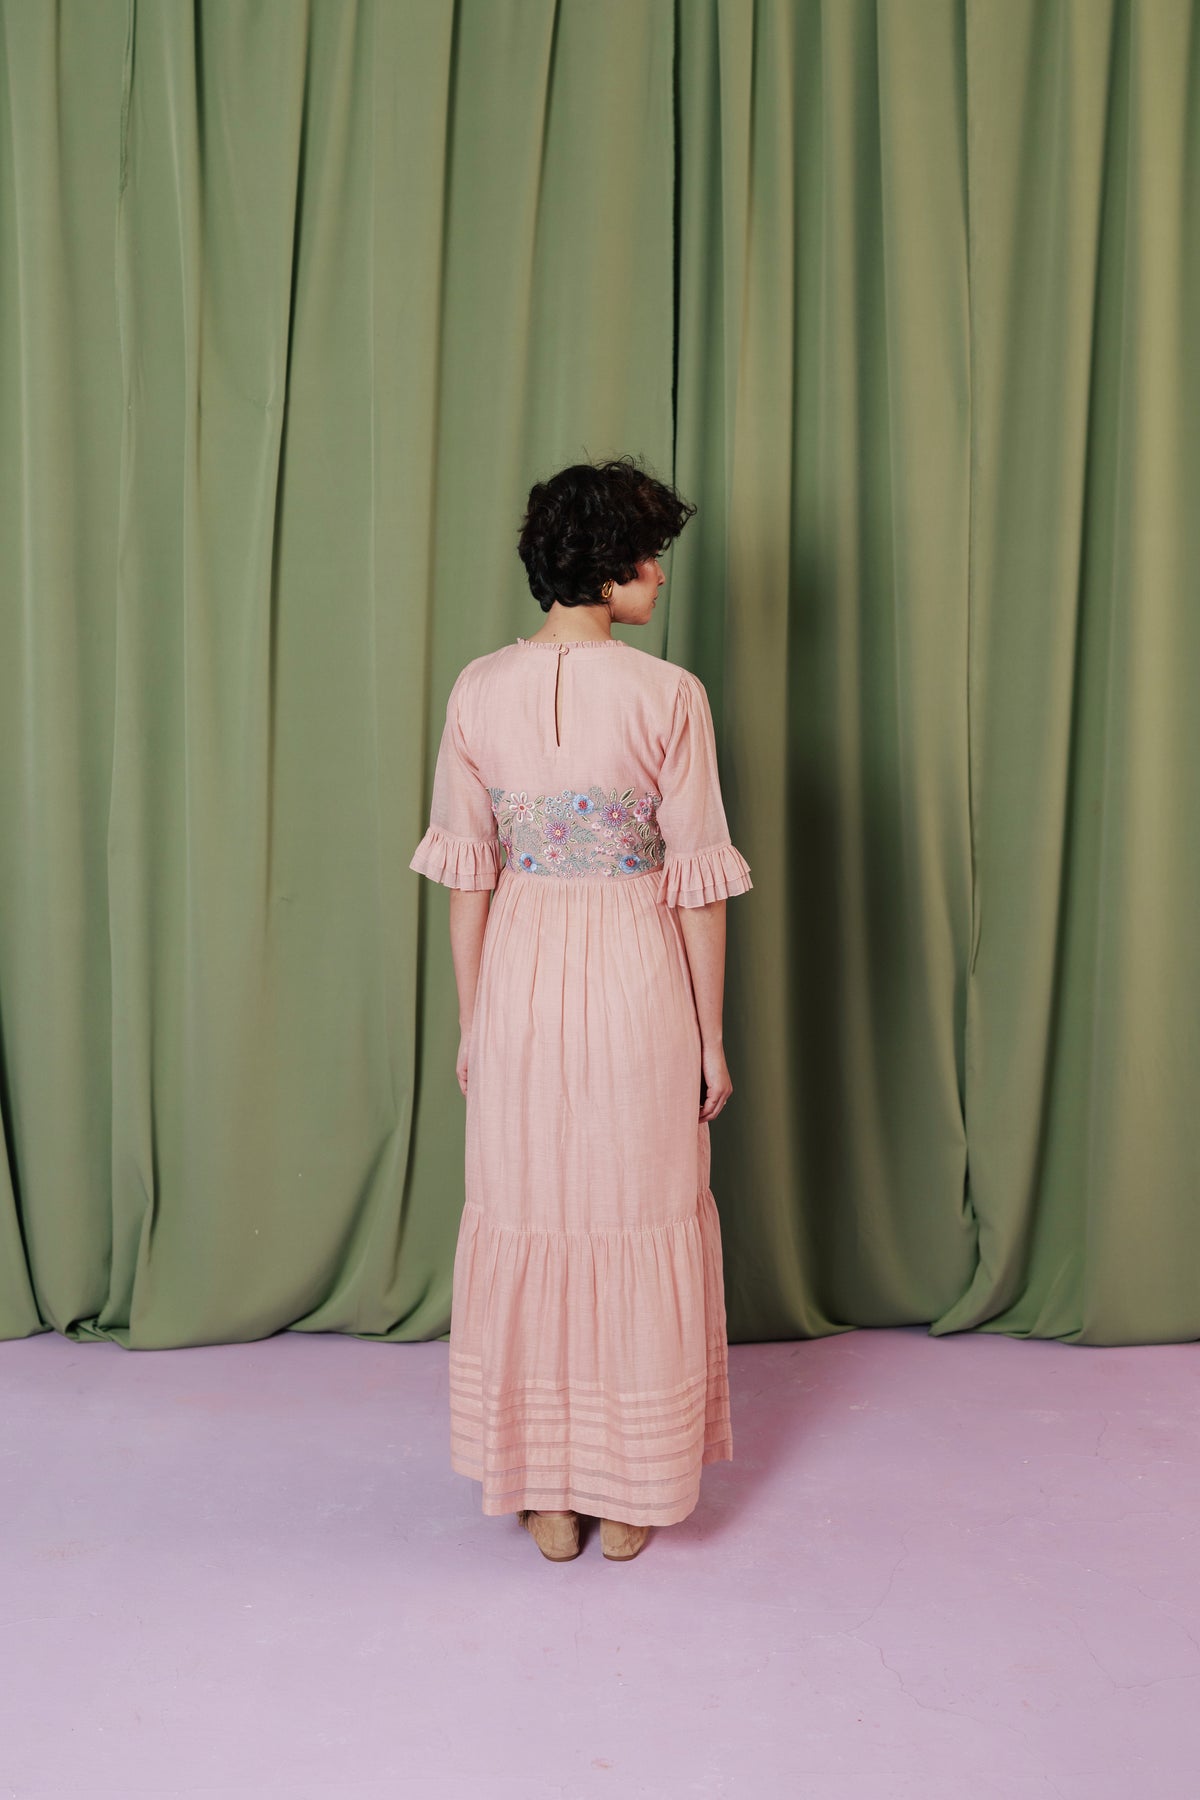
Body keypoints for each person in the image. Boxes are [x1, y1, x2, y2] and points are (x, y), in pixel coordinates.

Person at [409, 454, 753, 1563]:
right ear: (607, 571)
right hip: (636, 978)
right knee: (636, 1213)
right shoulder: (670, 695)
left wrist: (475, 1022)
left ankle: (545, 1492)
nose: (660, 575)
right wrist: (711, 1038)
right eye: (648, 557)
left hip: (518, 977)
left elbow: (468, 879)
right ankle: (632, 1485)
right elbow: (697, 885)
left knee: (531, 1214)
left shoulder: (476, 689)